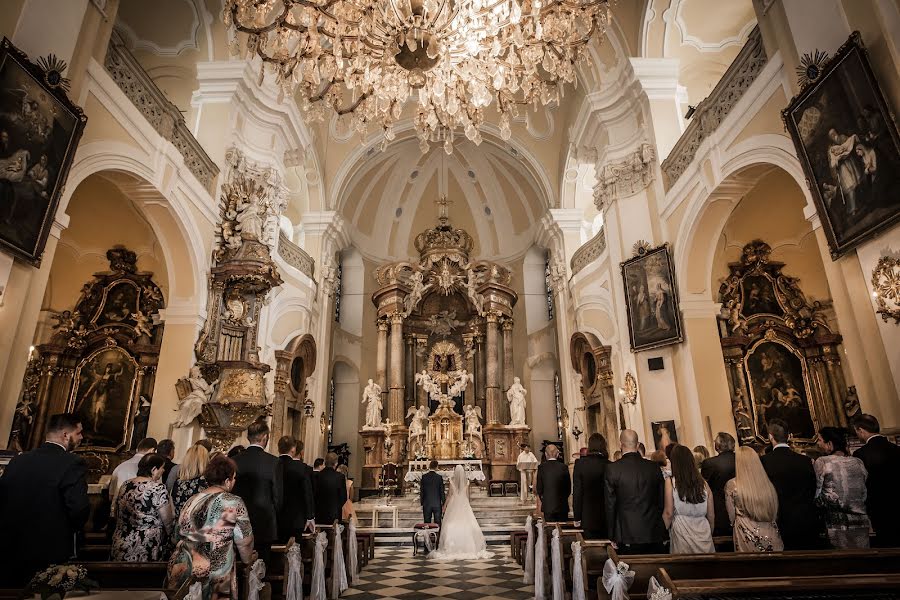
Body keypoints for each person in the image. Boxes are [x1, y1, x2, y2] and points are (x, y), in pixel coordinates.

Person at [0, 414, 89, 587]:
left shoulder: (18, 460)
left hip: (10, 546)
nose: (81, 438)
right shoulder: (72, 462)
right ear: (65, 435)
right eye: (78, 433)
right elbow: (79, 508)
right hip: (48, 548)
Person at [167, 455, 256, 598]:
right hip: (215, 568)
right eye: (233, 478)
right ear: (227, 481)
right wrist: (247, 560)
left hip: (183, 564)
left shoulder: (192, 500)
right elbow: (244, 541)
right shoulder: (232, 502)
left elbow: (177, 533)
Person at [760, 418, 823, 549]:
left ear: (770, 437)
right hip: (806, 519)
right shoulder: (805, 460)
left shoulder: (764, 461)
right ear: (788, 436)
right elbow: (814, 488)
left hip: (779, 520)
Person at [605, 430, 666, 554]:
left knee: (630, 572)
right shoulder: (653, 467)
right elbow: (661, 501)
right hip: (653, 532)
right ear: (638, 445)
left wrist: (612, 534)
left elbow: (610, 505)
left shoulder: (612, 469)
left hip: (626, 533)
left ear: (620, 445)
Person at [232, 420, 282, 562]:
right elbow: (278, 497)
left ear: (249, 438)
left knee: (239, 566)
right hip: (264, 523)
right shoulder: (273, 462)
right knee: (262, 566)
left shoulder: (235, 460)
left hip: (237, 523)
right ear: (265, 437)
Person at [814, 426, 869, 549]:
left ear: (829, 444)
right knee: (863, 561)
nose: (817, 443)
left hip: (836, 523)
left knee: (840, 563)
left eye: (819, 440)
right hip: (861, 521)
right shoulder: (858, 462)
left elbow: (817, 494)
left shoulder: (823, 462)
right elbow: (864, 493)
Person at [111, 453, 173, 561]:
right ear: (154, 469)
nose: (163, 471)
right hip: (145, 545)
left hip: (121, 540)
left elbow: (117, 510)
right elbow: (167, 521)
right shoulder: (157, 488)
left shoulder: (125, 484)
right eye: (162, 468)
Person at [852, 414, 900, 547]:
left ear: (861, 430)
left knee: (887, 543)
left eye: (856, 431)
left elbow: (860, 483)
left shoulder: (860, 454)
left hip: (878, 505)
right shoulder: (896, 449)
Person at [429, 465, 493, 559]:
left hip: (453, 505)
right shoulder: (467, 482)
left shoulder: (451, 481)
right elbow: (468, 497)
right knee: (466, 524)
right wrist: (467, 506)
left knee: (451, 524)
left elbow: (450, 495)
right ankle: (468, 548)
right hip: (463, 504)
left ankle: (450, 547)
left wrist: (445, 506)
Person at [726, 447, 783, 552]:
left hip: (745, 534)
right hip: (769, 532)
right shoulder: (767, 483)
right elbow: (774, 508)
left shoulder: (732, 485)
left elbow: (731, 517)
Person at [664, 445, 715, 554]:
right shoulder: (704, 484)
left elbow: (668, 513)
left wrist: (663, 534)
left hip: (682, 533)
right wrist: (709, 532)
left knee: (684, 569)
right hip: (703, 532)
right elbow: (711, 516)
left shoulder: (671, 482)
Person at [276, 436, 315, 542]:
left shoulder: (271, 464)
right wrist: (310, 516)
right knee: (295, 551)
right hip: (296, 519)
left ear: (278, 449)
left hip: (274, 519)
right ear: (293, 449)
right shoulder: (301, 468)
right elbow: (307, 493)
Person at [573, 433, 610, 539]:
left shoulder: (580, 464)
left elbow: (577, 492)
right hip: (607, 516)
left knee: (591, 550)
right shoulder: (610, 465)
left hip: (588, 516)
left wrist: (577, 517)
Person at [701, 432, 737, 537]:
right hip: (744, 508)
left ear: (717, 446)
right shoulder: (742, 459)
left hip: (720, 512)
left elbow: (705, 489)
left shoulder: (709, 463)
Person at [110, 437, 157, 505]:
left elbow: (111, 496)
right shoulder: (152, 469)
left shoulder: (119, 467)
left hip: (118, 511)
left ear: (137, 449)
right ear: (152, 451)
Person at [171, 443, 209, 520]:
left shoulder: (178, 483)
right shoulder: (206, 483)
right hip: (197, 529)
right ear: (204, 461)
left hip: (179, 527)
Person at [535, 444, 571, 522]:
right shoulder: (564, 467)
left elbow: (539, 489)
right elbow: (568, 488)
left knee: (550, 531)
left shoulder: (541, 468)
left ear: (545, 454)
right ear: (557, 454)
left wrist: (544, 500)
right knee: (562, 531)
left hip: (548, 506)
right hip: (562, 506)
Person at [314, 452, 348, 526]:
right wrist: (336, 506)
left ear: (325, 462)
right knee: (333, 536)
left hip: (319, 514)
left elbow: (314, 495)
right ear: (336, 463)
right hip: (334, 514)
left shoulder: (317, 476)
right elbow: (344, 497)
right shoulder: (340, 477)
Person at [420, 459, 446, 524]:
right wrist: (444, 503)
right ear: (436, 467)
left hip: (427, 503)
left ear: (429, 466)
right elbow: (441, 492)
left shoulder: (424, 477)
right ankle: (437, 534)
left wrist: (422, 503)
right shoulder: (439, 477)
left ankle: (427, 534)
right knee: (437, 523)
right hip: (437, 504)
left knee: (426, 522)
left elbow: (422, 491)